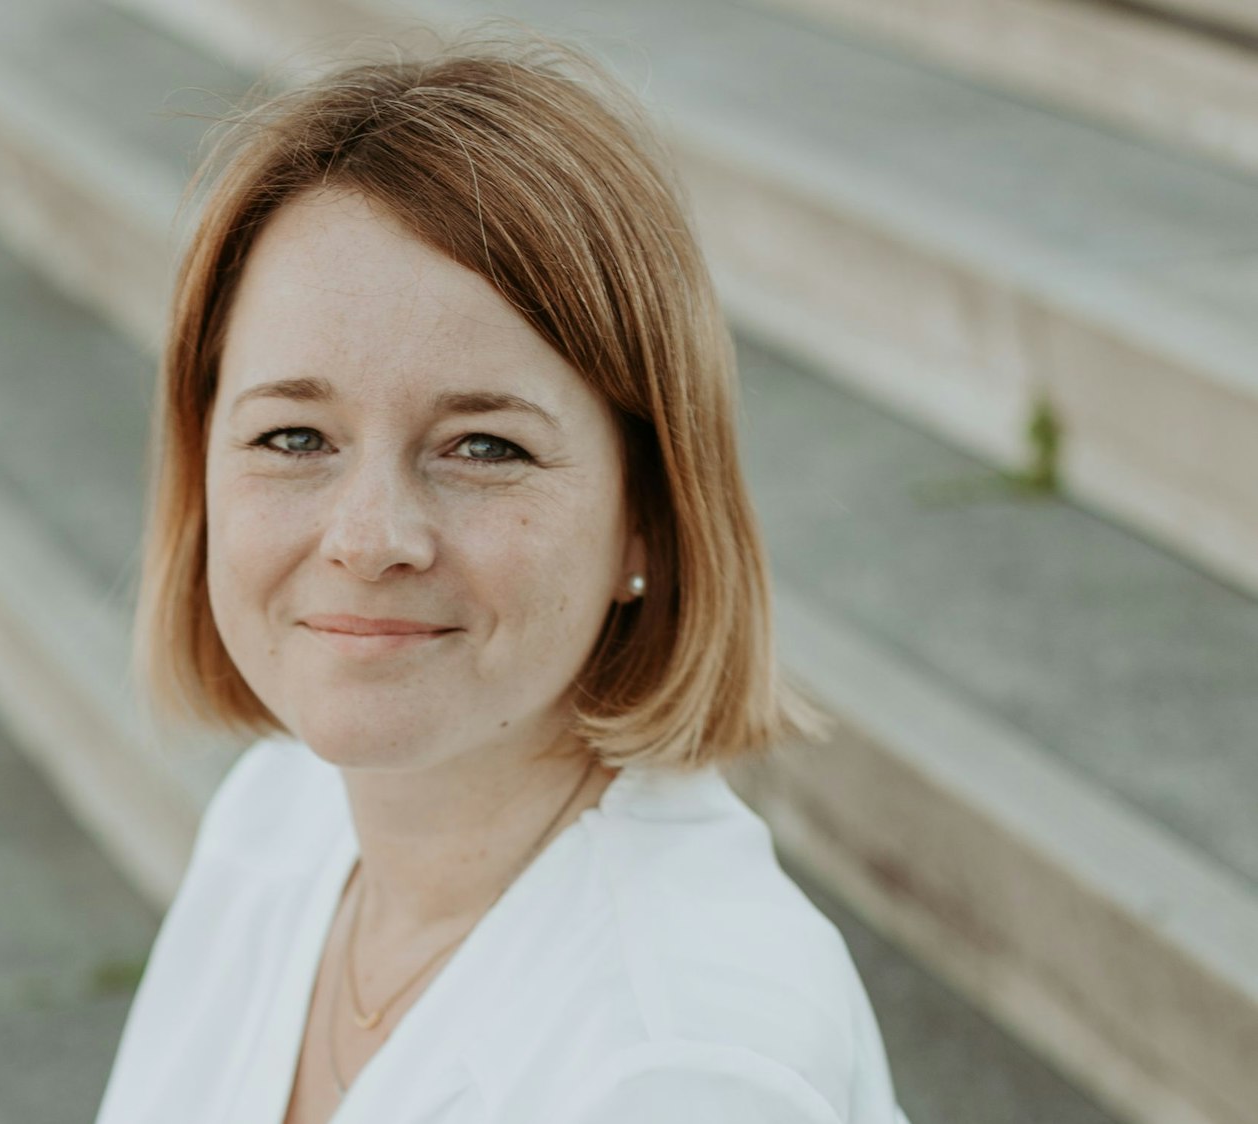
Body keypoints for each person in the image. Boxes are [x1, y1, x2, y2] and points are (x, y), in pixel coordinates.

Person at [96, 23, 912, 1124]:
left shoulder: (678, 1067)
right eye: (295, 436)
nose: (369, 535)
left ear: (648, 519)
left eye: (485, 446)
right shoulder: (284, 810)